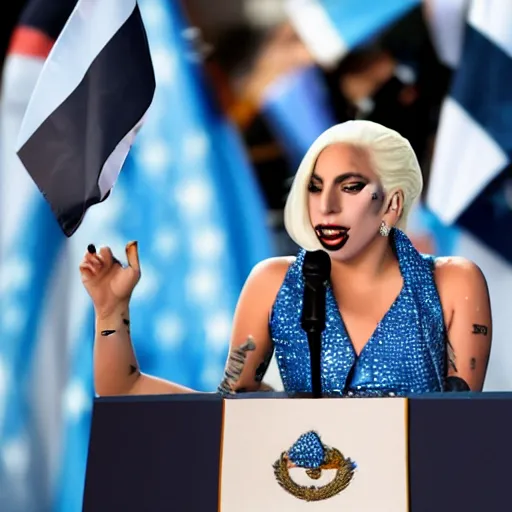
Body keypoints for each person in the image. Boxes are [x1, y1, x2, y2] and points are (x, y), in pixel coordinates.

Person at [80, 120, 492, 397]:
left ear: (391, 204)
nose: (326, 206)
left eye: (348, 187)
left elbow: (456, 434)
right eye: (315, 187)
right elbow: (212, 410)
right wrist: (111, 311)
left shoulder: (452, 282)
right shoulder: (273, 283)